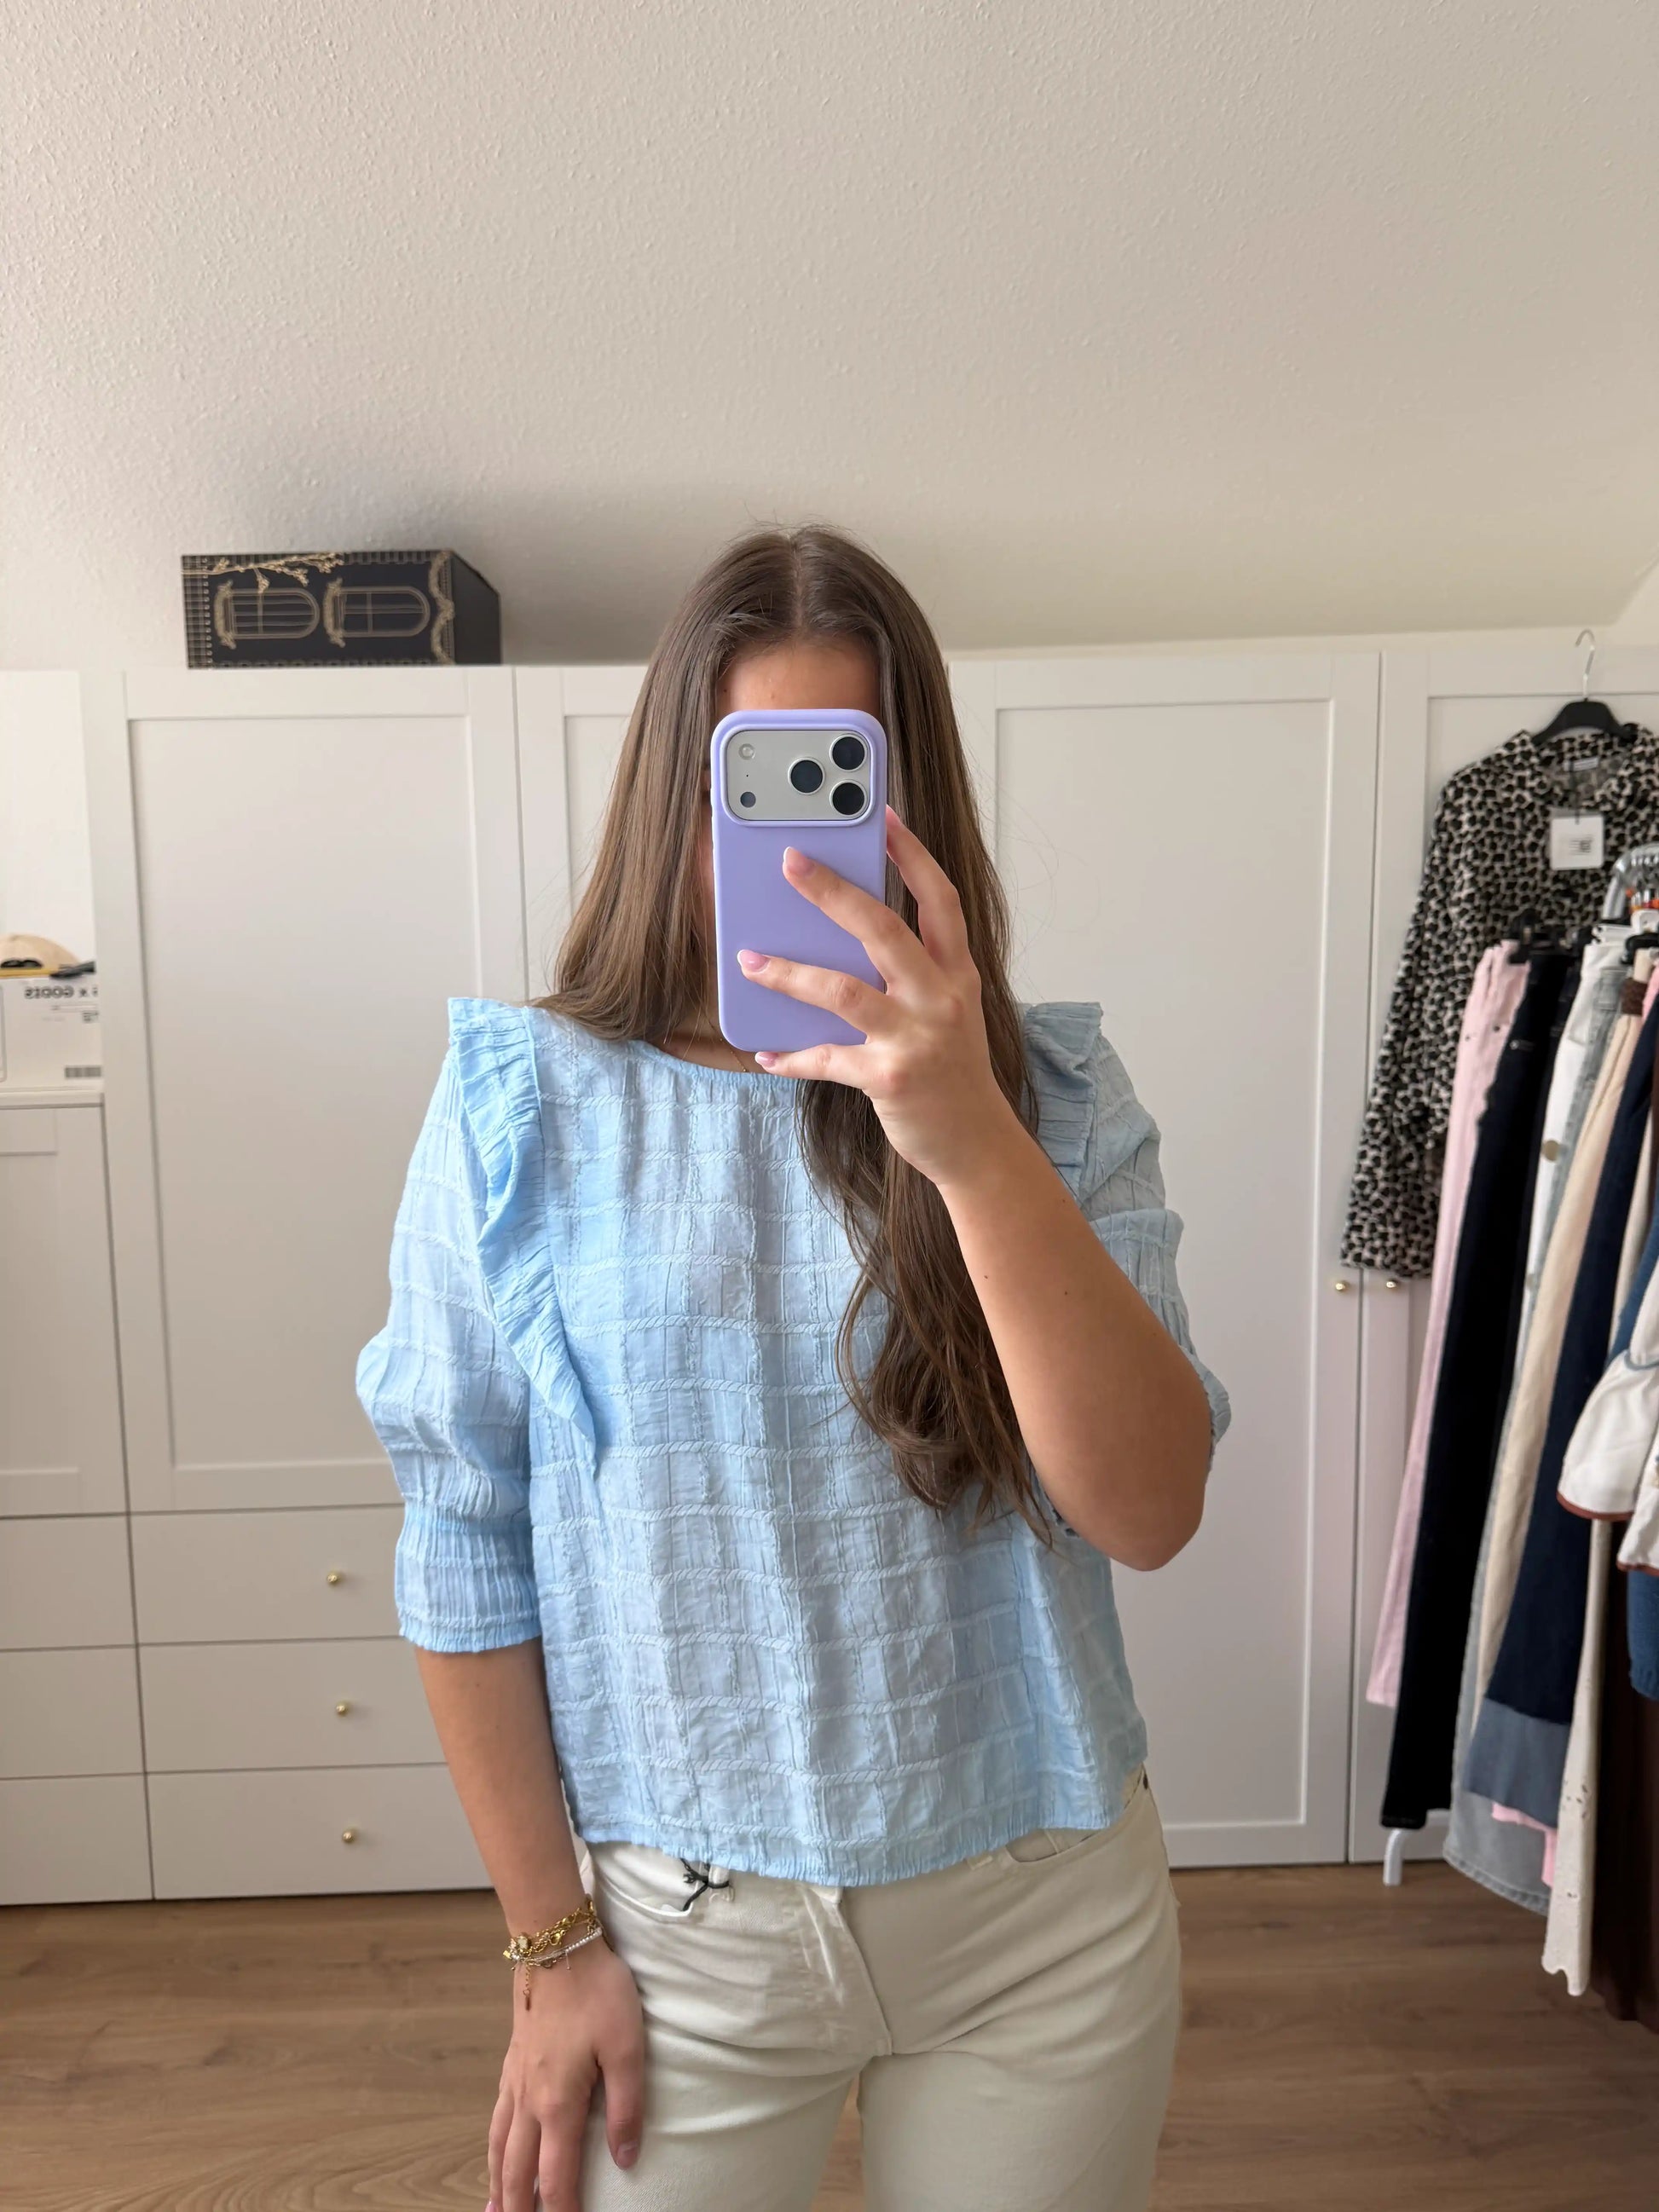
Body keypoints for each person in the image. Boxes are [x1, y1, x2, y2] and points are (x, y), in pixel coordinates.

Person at [356, 523, 1229, 2212]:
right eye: (746, 784)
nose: (791, 838)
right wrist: (547, 1942)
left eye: (837, 780)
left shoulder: (1050, 1095)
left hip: (1039, 1920)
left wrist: (963, 1132)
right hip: (674, 1939)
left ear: (912, 805)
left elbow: (1150, 1509)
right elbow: (464, 1532)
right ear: (669, 796)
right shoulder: (524, 1103)